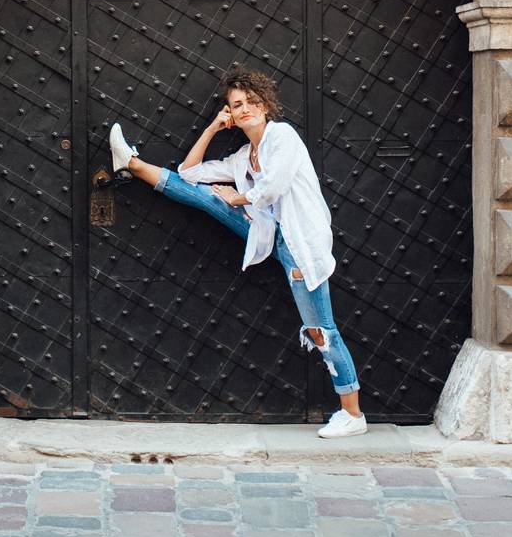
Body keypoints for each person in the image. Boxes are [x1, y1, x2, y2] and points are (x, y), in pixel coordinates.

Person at [108, 62, 367, 439]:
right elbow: (189, 171)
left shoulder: (284, 138)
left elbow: (273, 187)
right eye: (235, 104)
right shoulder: (244, 157)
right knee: (205, 195)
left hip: (301, 245)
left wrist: (237, 196)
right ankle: (130, 162)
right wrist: (214, 127)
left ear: (264, 106)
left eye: (250, 101)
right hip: (270, 234)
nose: (244, 108)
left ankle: (352, 413)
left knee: (320, 330)